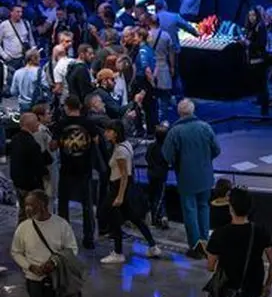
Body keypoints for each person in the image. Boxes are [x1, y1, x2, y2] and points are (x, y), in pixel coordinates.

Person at [11, 190, 77, 297]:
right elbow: (16, 252)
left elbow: (72, 248)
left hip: (55, 279)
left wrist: (54, 263)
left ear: (43, 205)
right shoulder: (24, 228)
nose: (27, 208)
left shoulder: (61, 225)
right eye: (26, 205)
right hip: (34, 280)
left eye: (31, 205)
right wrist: (30, 266)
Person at [162, 99, 221, 258]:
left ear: (179, 112)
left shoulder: (175, 132)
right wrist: (205, 160)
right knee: (204, 208)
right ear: (193, 110)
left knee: (190, 211)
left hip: (186, 178)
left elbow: (167, 156)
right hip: (205, 176)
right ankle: (205, 242)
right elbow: (216, 150)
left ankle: (195, 247)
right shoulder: (205, 127)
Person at [100, 123, 161, 264]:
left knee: (113, 218)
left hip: (118, 187)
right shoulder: (125, 145)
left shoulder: (120, 151)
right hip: (125, 187)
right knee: (135, 218)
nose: (105, 133)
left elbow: (124, 175)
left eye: (108, 131)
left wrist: (120, 196)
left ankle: (118, 252)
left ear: (115, 133)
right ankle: (153, 246)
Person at [53, 96, 101, 250]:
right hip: (85, 168)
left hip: (66, 167)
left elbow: (53, 145)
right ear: (79, 106)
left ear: (67, 107)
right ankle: (89, 238)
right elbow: (96, 140)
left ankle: (64, 238)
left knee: (63, 205)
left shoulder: (61, 123)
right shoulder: (88, 123)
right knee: (87, 205)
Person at [9, 112, 50, 221]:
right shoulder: (31, 144)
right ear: (30, 125)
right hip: (30, 185)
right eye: (36, 122)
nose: (38, 124)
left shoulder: (15, 139)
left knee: (23, 212)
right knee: (34, 214)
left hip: (18, 183)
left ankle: (21, 231)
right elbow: (39, 166)